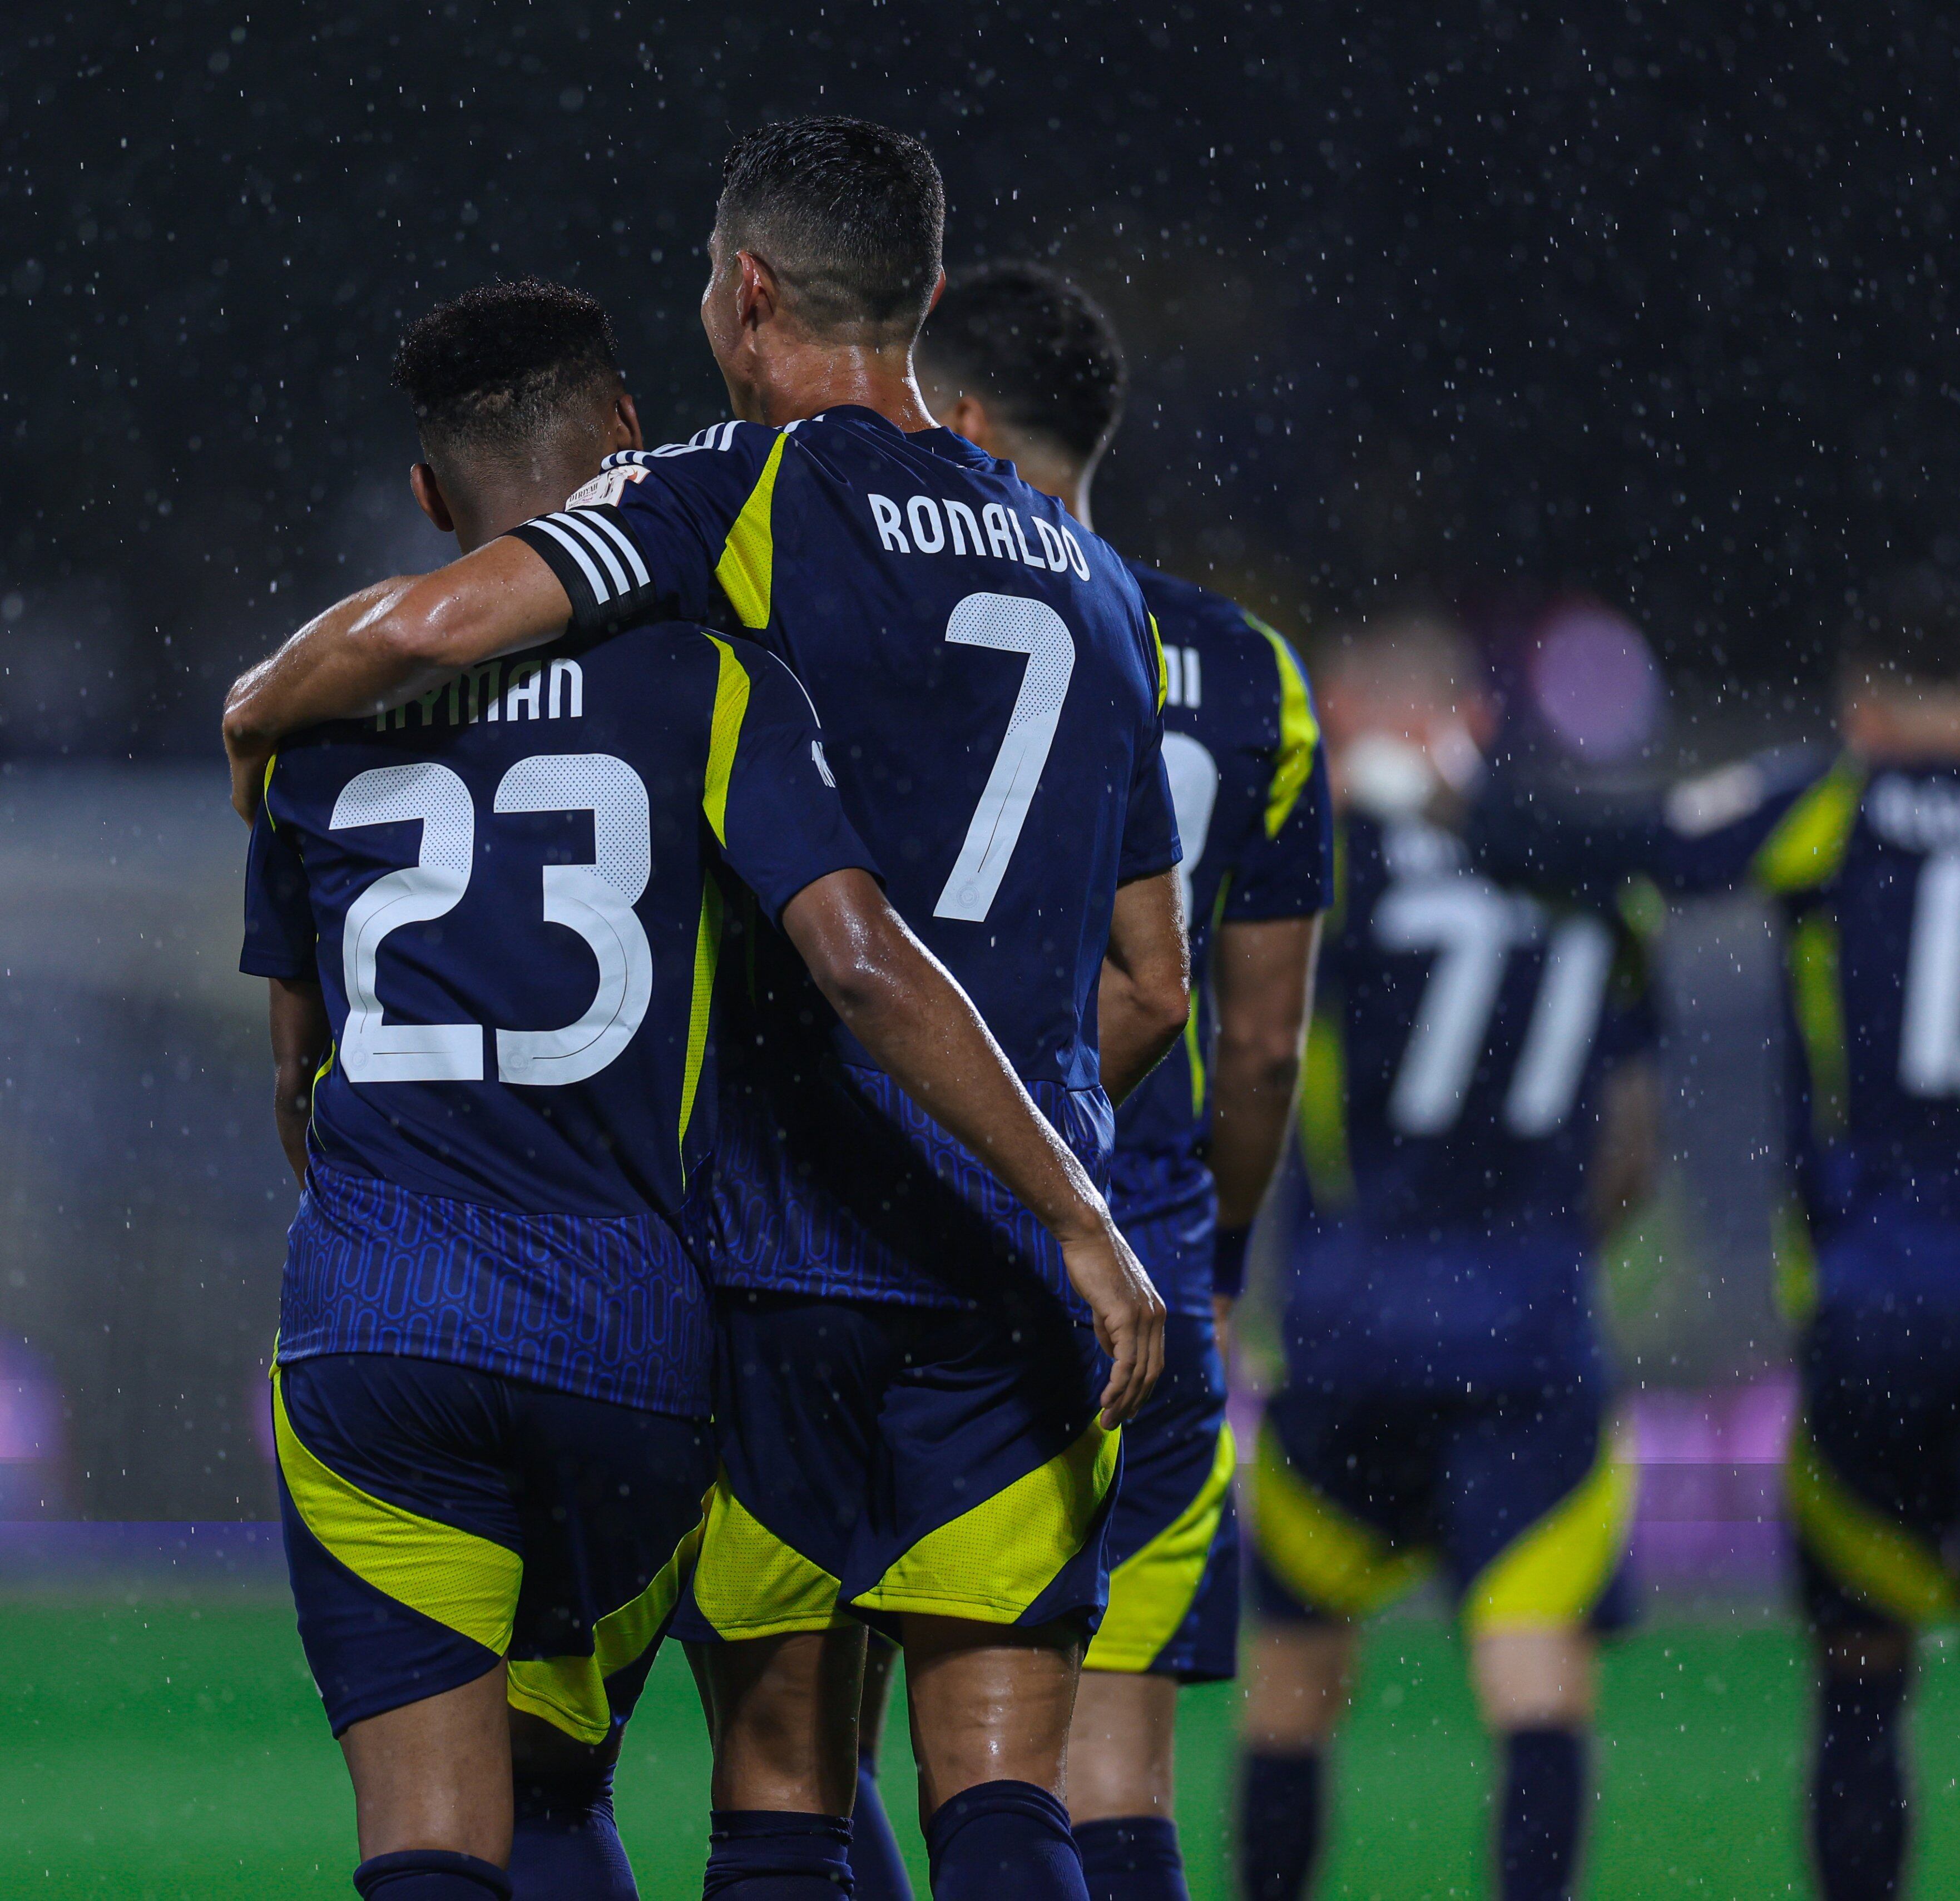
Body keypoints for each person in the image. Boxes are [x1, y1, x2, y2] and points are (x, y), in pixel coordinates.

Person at [222, 118, 1184, 1901]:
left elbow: (438, 632)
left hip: (776, 1251)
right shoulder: (1100, 587)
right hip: (1019, 1259)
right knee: (1001, 1797)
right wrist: (1066, 1198)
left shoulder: (725, 493)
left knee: (776, 1808)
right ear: (929, 299)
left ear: (749, 299)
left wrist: (263, 704)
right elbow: (1158, 981)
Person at [1468, 571, 1960, 1901]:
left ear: (1861, 707)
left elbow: (1642, 852)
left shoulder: (1836, 800)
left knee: (1859, 1671)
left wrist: (1461, 809)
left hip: (1881, 1297)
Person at [915, 261, 1335, 1901]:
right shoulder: (1252, 674)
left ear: (956, 421)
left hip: (907, 1236)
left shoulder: (904, 622)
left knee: (834, 1740)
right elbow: (1268, 1042)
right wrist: (1201, 1245)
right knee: (1111, 1774)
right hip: (1141, 1257)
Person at [1236, 614, 1654, 1901]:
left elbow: (1256, 1055)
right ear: (1474, 722)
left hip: (1350, 1321)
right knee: (1532, 1673)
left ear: (1352, 713)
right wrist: (1537, 1246)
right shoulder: (1588, 876)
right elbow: (1631, 1145)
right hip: (1528, 1323)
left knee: (1295, 1682)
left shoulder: (1321, 861)